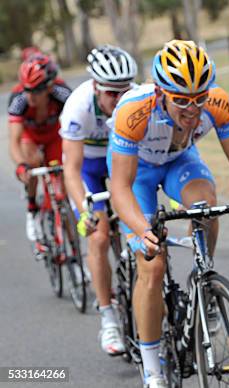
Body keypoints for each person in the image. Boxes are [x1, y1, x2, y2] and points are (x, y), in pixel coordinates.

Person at [108, 40, 229, 388]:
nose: (192, 108)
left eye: (198, 98)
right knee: (153, 263)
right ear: (160, 92)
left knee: (205, 205)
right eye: (182, 100)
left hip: (180, 164)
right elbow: (120, 187)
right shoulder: (135, 110)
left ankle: (203, 280)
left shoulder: (217, 103)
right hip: (138, 176)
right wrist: (142, 230)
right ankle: (153, 368)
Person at [60, 45, 138, 356]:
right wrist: (84, 211)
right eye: (111, 93)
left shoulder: (138, 100)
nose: (119, 100)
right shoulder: (78, 106)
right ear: (95, 87)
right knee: (100, 236)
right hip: (90, 170)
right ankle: (108, 317)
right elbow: (72, 170)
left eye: (124, 91)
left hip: (122, 161)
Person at [8, 53, 72, 241]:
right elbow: (14, 141)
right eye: (26, 89)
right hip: (31, 138)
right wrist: (21, 165)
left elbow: (77, 125)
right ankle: (32, 208)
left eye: (35, 91)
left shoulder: (62, 93)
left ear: (49, 87)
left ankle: (74, 254)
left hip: (54, 136)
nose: (29, 96)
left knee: (62, 193)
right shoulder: (18, 99)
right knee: (32, 161)